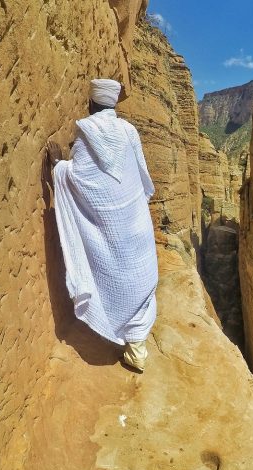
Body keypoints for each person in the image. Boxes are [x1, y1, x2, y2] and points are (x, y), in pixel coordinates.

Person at [46, 79, 158, 373]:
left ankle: (132, 345)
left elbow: (83, 180)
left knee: (118, 280)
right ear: (114, 103)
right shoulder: (129, 131)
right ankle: (136, 347)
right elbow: (138, 174)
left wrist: (59, 166)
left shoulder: (88, 132)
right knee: (139, 281)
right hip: (136, 223)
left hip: (115, 228)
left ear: (91, 103)